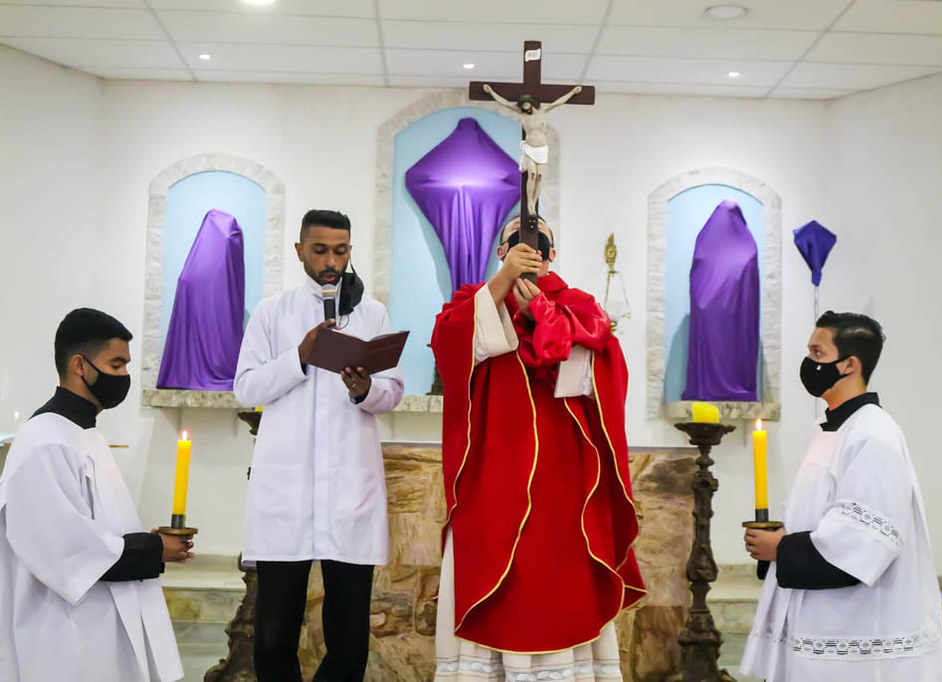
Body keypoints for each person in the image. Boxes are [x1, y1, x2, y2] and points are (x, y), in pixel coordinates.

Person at [431, 216, 645, 681]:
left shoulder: (579, 306)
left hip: (566, 478)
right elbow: (451, 347)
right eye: (517, 244)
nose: (530, 251)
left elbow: (600, 379)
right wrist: (504, 289)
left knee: (558, 582)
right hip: (491, 472)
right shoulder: (475, 304)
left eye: (539, 243)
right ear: (500, 252)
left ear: (552, 253)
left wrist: (548, 320)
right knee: (491, 569)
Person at [234, 209, 404, 682]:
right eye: (321, 249)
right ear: (299, 251)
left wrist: (363, 389)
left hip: (349, 494)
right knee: (273, 634)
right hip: (285, 495)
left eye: (341, 250)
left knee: (349, 639)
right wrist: (300, 356)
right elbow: (245, 388)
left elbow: (391, 391)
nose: (332, 260)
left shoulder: (373, 314)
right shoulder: (273, 312)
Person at [740, 312, 942, 681]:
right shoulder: (826, 430)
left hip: (857, 622)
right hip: (816, 611)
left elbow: (863, 540)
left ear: (850, 364)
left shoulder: (874, 434)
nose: (808, 364)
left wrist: (782, 549)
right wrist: (774, 541)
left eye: (817, 353)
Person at [0, 308, 191, 682]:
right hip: (64, 634)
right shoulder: (45, 442)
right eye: (116, 365)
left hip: (97, 623)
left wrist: (147, 543)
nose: (123, 377)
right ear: (79, 365)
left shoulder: (84, 434)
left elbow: (99, 528)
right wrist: (154, 551)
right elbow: (62, 548)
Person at [481, 84, 582, 216]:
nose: (524, 107)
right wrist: (491, 92)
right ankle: (530, 203)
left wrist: (573, 92)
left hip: (541, 149)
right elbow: (504, 103)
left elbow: (559, 102)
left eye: (526, 104)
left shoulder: (542, 111)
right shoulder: (522, 114)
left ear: (530, 103)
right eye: (522, 105)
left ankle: (534, 200)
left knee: (539, 177)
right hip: (529, 148)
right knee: (532, 174)